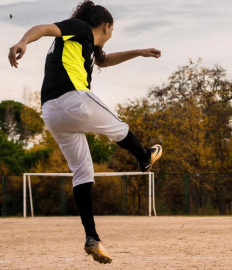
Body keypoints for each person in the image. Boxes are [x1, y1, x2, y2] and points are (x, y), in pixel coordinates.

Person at [8, 0, 162, 264]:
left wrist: (138, 52)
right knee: (120, 128)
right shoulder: (78, 28)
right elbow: (44, 27)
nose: (112, 35)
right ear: (106, 26)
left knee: (82, 172)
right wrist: (23, 41)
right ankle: (144, 156)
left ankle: (93, 238)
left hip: (52, 113)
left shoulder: (83, 45)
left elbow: (103, 61)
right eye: (112, 31)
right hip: (74, 100)